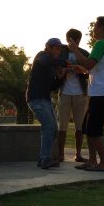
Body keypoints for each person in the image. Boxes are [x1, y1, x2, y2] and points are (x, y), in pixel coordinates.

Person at [67, 16, 104, 172]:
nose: (93, 29)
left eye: (95, 25)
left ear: (101, 28)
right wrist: (82, 70)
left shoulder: (101, 43)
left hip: (103, 93)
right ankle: (92, 161)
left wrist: (75, 49)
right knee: (87, 128)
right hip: (100, 92)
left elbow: (89, 63)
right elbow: (93, 68)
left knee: (94, 129)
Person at [26, 38, 68, 169]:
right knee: (49, 127)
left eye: (60, 49)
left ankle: (43, 159)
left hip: (44, 99)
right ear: (47, 47)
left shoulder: (51, 66)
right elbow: (47, 61)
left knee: (53, 129)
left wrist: (60, 78)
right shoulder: (41, 56)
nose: (58, 51)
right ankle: (45, 159)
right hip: (36, 99)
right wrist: (67, 63)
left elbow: (51, 86)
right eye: (56, 48)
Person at [56, 28, 90, 163]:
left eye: (77, 40)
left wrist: (81, 70)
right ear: (67, 39)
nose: (75, 43)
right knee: (62, 126)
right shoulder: (60, 52)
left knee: (79, 126)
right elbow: (55, 67)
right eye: (72, 40)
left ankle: (78, 154)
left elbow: (90, 72)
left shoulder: (84, 53)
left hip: (80, 93)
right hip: (64, 92)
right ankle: (60, 154)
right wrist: (65, 69)